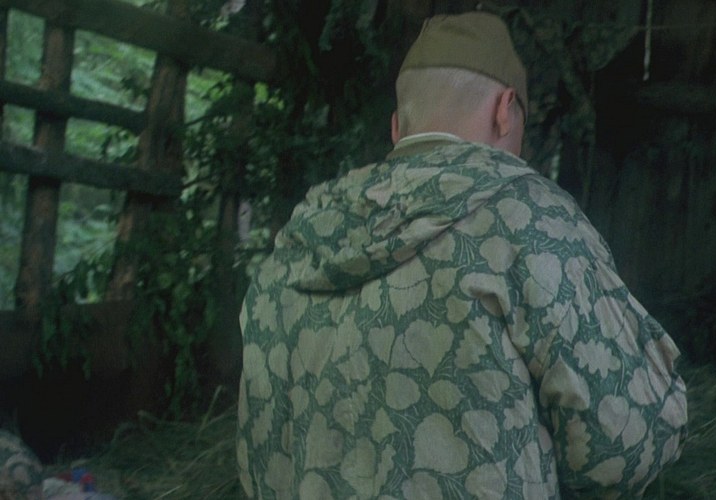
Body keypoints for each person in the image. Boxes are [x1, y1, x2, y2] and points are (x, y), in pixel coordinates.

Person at [237, 11, 687, 499]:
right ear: (504, 109)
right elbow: (624, 444)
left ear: (397, 128)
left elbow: (260, 454)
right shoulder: (528, 217)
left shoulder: (299, 238)